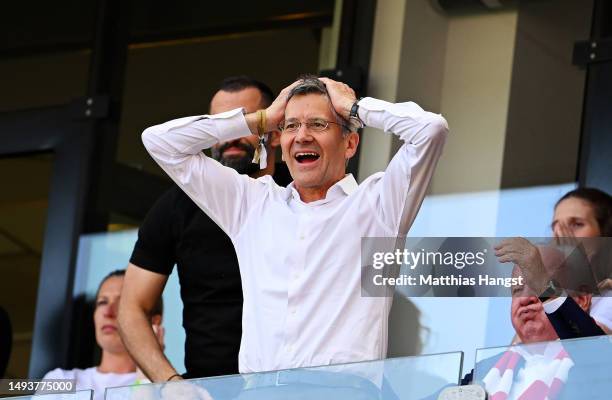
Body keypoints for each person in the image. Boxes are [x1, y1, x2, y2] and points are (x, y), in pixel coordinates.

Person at [141, 75, 449, 373]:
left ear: (351, 143)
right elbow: (159, 142)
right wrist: (260, 119)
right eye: (290, 125)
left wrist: (355, 108)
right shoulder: (251, 203)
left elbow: (430, 129)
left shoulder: (379, 204)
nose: (302, 135)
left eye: (318, 124)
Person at [118, 76, 290, 382]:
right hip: (208, 388)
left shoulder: (301, 195)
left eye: (244, 124)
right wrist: (171, 385)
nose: (230, 138)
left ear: (275, 131)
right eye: (224, 126)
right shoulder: (176, 207)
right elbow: (132, 307)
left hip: (293, 386)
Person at [459, 265, 612, 400]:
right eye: (517, 291)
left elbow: (598, 357)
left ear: (580, 299)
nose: (525, 300)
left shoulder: (598, 357)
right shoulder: (484, 371)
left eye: (538, 287)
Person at [43, 270, 163, 400]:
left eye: (122, 303)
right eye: (102, 302)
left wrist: (146, 377)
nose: (107, 312)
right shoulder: (60, 380)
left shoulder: (171, 389)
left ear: (153, 323)